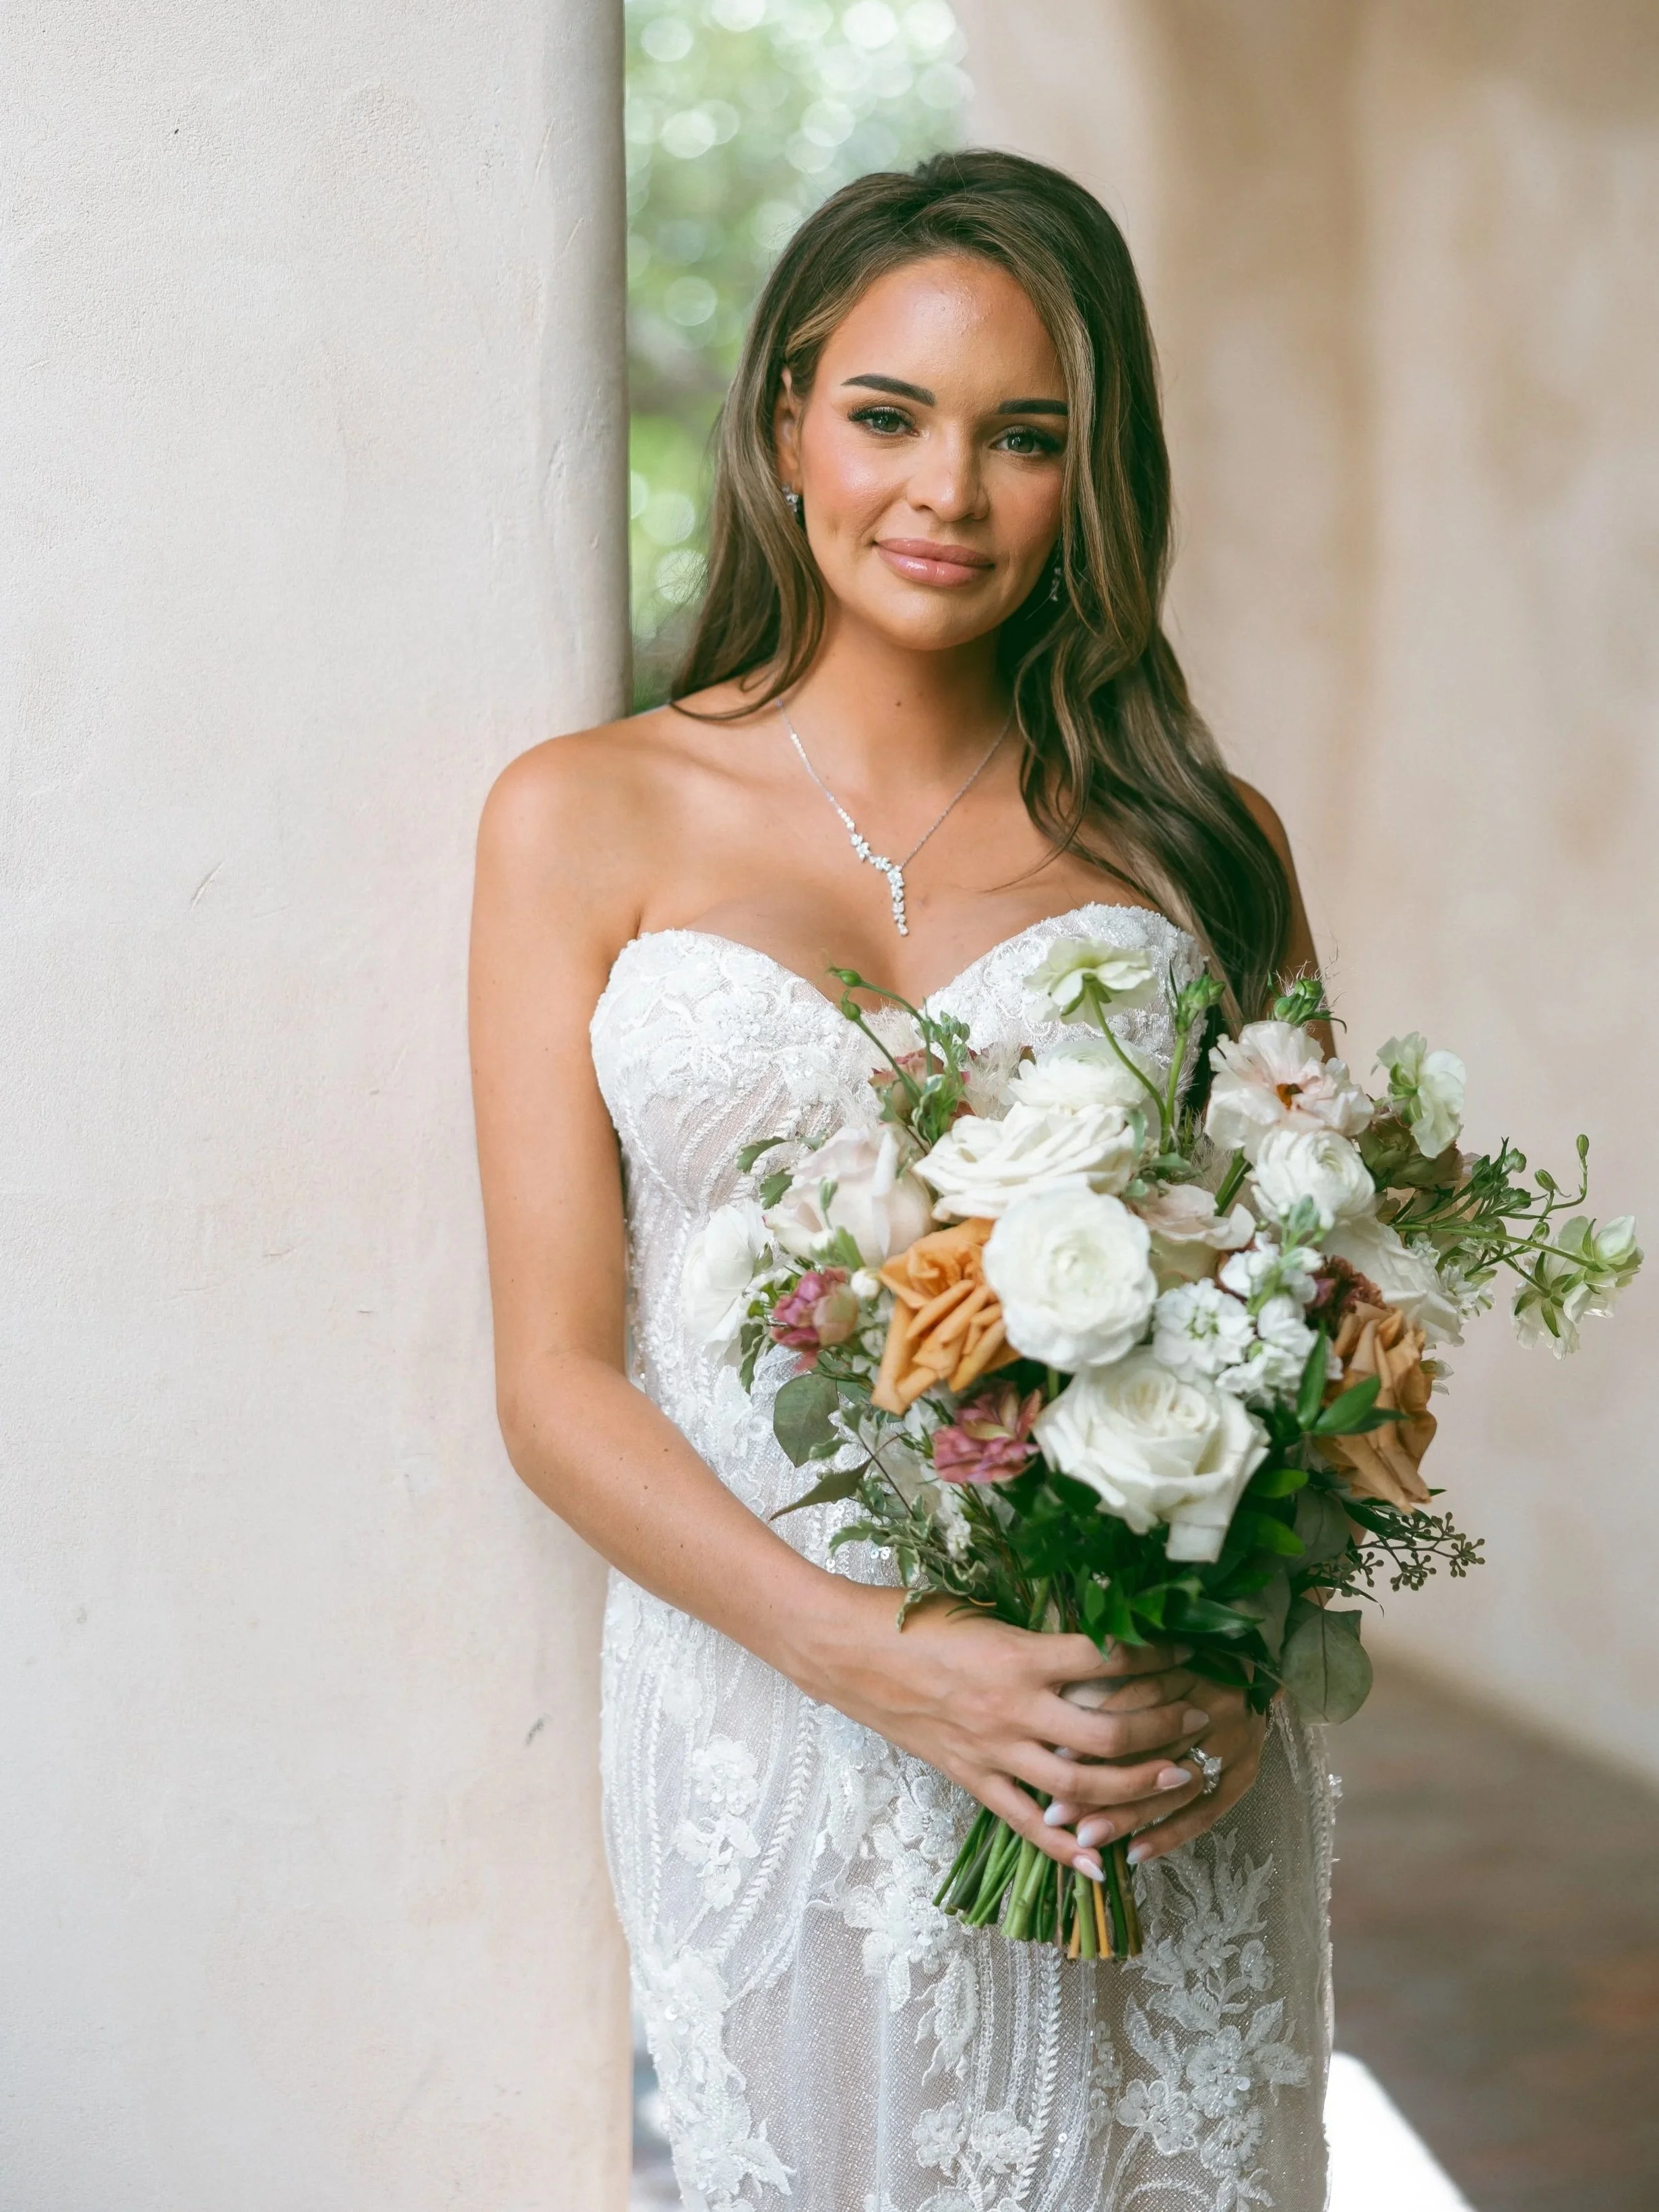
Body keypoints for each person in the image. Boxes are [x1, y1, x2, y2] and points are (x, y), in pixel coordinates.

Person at [471, 150, 1332, 2212]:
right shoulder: (579, 817)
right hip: (778, 1728)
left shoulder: (1201, 844)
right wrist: (871, 1652)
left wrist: (1235, 1656)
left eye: (1024, 437)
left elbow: (1326, 1312)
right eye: (887, 415)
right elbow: (557, 1377)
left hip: (1130, 1740)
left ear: (1093, 476)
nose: (944, 492)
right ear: (784, 422)